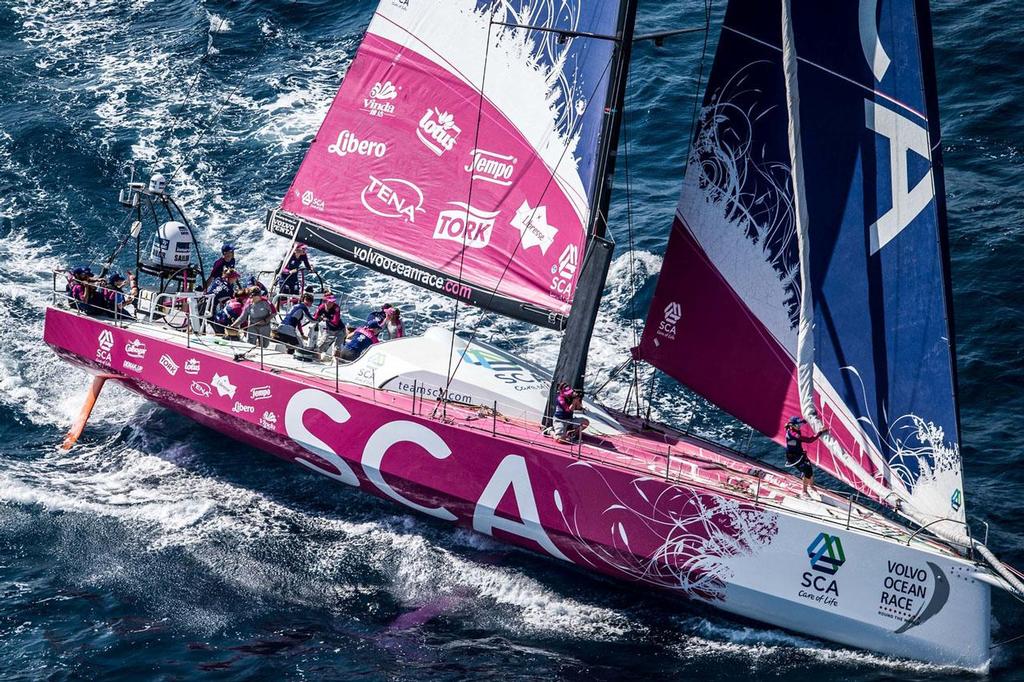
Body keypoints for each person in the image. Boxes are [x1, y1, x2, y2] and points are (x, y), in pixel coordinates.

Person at [785, 416, 829, 496]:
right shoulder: (793, 434)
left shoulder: (793, 427)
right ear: (792, 426)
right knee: (807, 472)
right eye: (798, 426)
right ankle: (804, 491)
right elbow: (809, 440)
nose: (799, 427)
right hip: (794, 457)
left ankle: (811, 486)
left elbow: (803, 422)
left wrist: (812, 418)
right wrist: (820, 432)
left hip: (800, 454)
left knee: (810, 469)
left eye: (799, 425)